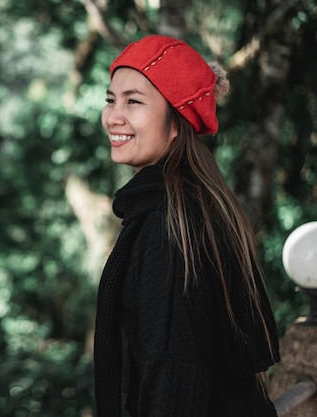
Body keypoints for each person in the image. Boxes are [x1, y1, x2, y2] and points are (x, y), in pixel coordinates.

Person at [93, 35, 280, 417]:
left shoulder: (170, 228)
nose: (113, 115)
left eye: (134, 101)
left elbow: (174, 373)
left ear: (177, 120)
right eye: (111, 99)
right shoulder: (190, 203)